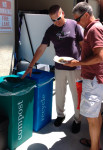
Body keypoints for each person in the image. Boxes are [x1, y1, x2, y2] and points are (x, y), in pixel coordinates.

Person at [22, 5, 83, 133]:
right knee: (60, 95)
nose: (56, 22)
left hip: (76, 67)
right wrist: (31, 65)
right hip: (60, 67)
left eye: (58, 19)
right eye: (53, 20)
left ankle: (77, 120)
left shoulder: (74, 25)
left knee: (76, 96)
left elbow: (83, 45)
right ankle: (60, 115)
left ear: (63, 13)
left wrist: (84, 64)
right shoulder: (50, 30)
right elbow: (42, 48)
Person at [64, 2, 103, 150]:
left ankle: (95, 148)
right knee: (95, 115)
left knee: (92, 118)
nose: (76, 22)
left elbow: (100, 57)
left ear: (86, 15)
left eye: (77, 19)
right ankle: (95, 144)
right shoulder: (92, 28)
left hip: (94, 79)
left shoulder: (94, 29)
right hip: (95, 78)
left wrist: (77, 63)